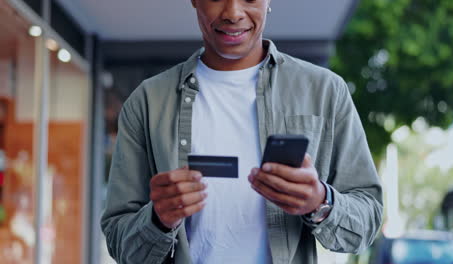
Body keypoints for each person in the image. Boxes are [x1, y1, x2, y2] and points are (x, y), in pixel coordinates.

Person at [101, 0, 383, 263]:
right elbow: (119, 240)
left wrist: (320, 202)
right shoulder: (147, 102)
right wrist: (158, 219)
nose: (233, 13)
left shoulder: (325, 92)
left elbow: (366, 221)